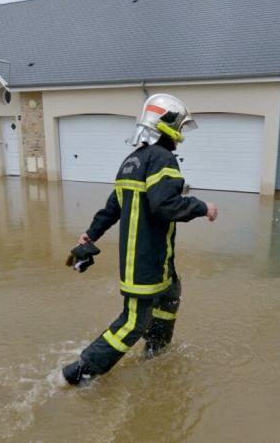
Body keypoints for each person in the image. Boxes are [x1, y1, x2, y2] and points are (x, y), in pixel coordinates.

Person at [58, 94, 218, 386]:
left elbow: (113, 207)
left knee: (170, 295)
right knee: (134, 321)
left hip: (157, 260)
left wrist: (91, 233)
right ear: (168, 124)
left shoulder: (131, 161)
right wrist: (201, 207)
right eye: (180, 126)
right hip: (146, 260)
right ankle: (80, 372)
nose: (181, 134)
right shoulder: (163, 158)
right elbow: (163, 205)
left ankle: (156, 355)